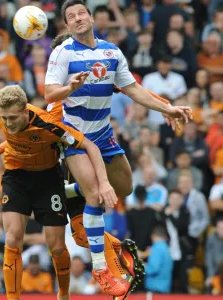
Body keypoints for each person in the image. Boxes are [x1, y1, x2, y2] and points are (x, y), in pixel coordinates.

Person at [45, 2, 191, 297]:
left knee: (122, 188)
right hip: (75, 139)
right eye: (70, 17)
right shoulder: (62, 52)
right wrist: (70, 88)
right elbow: (49, 93)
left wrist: (168, 108)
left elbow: (133, 89)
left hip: (104, 135)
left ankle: (66, 191)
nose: (77, 19)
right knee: (98, 195)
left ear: (91, 17)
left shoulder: (112, 52)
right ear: (67, 25)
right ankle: (100, 268)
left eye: (80, 13)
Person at [0, 85, 129, 299]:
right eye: (4, 118)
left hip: (48, 180)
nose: (8, 123)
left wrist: (104, 182)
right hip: (16, 178)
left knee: (57, 246)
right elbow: (1, 99)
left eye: (13, 118)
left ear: (25, 111)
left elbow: (89, 146)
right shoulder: (5, 109)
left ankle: (64, 293)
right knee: (12, 240)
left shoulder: (51, 125)